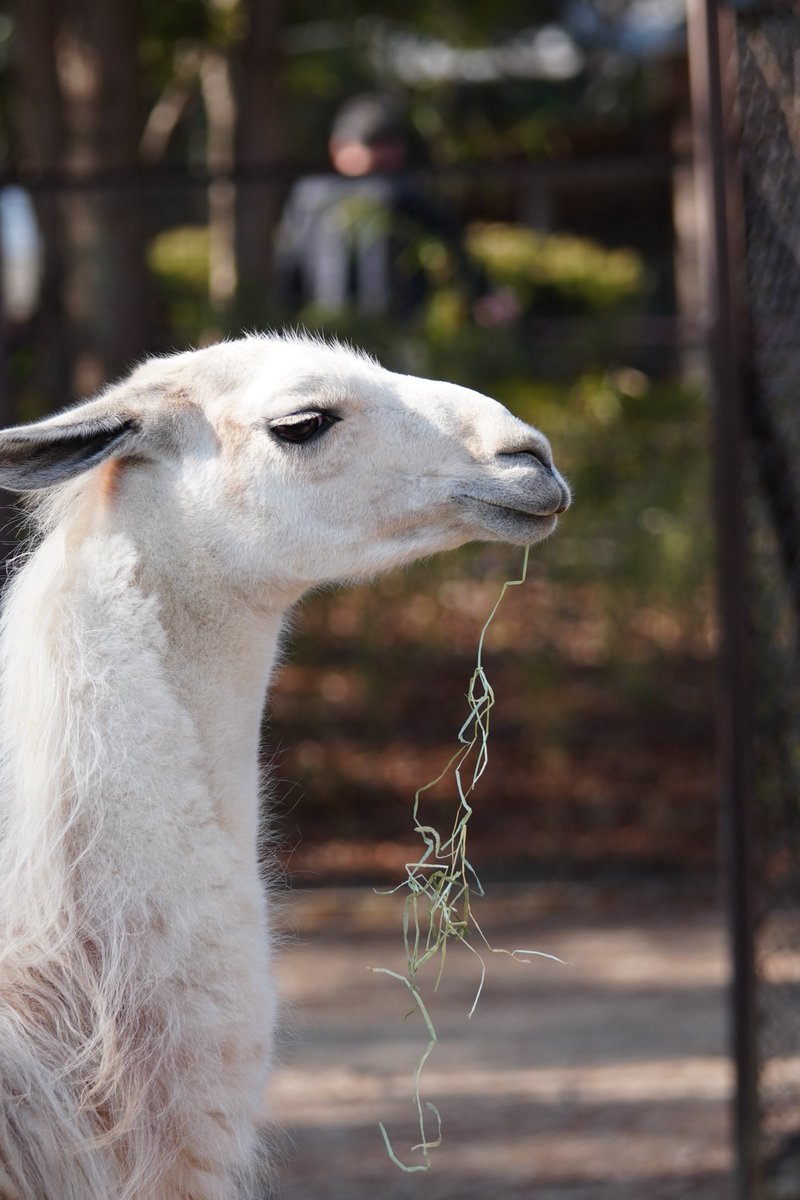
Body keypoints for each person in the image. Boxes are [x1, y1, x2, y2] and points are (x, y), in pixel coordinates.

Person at [275, 94, 487, 319]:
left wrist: (480, 292)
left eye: (389, 145)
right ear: (338, 147)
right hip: (330, 325)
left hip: (396, 321)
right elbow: (290, 262)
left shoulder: (407, 194)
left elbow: (453, 245)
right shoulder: (313, 196)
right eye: (374, 145)